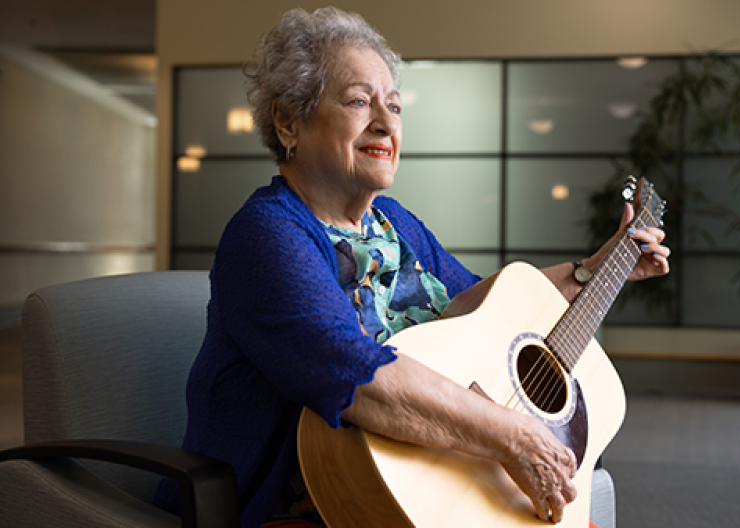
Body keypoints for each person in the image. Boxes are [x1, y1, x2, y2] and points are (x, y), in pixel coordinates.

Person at [153, 6, 670, 528]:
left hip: (425, 479)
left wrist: (594, 268)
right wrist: (514, 437)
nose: (385, 123)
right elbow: (354, 374)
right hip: (313, 505)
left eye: (395, 106)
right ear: (288, 119)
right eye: (359, 101)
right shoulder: (266, 234)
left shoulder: (394, 223)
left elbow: (489, 310)